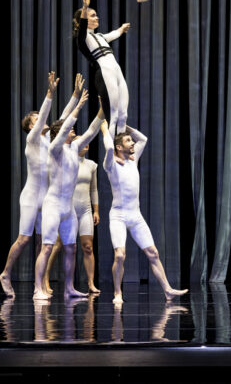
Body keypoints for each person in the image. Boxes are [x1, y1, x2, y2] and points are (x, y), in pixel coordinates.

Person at [0, 72, 80, 298]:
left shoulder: (51, 142)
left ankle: (40, 283)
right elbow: (47, 113)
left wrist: (74, 97)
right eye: (37, 119)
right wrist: (49, 95)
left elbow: (62, 119)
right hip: (31, 197)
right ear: (31, 126)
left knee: (45, 242)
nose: (42, 120)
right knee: (24, 238)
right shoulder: (32, 140)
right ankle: (6, 273)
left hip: (48, 199)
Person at [100, 120, 188, 304]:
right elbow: (108, 149)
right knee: (120, 255)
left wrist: (124, 125)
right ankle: (118, 293)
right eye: (128, 141)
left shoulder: (133, 159)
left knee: (153, 253)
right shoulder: (111, 165)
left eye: (131, 141)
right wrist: (105, 128)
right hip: (118, 216)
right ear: (118, 146)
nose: (132, 143)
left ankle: (168, 290)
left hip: (135, 215)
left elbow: (143, 139)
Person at [33, 91, 104, 301]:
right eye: (71, 129)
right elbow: (64, 127)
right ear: (60, 134)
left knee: (71, 248)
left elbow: (92, 131)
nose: (74, 131)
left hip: (68, 208)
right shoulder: (54, 149)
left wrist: (103, 109)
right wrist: (78, 105)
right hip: (53, 205)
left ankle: (69, 288)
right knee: (46, 247)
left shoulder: (74, 147)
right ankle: (38, 288)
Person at [43, 142, 101, 294]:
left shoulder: (91, 165)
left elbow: (94, 190)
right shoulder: (66, 162)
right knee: (57, 244)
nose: (87, 144)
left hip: (86, 209)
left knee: (88, 246)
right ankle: (45, 278)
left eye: (88, 141)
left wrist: (96, 211)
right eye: (82, 142)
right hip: (68, 208)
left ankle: (90, 283)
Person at [74, 0, 130, 136]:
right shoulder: (83, 38)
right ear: (83, 19)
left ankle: (122, 154)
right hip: (104, 74)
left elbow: (112, 35)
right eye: (93, 15)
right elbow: (82, 28)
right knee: (114, 116)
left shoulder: (100, 36)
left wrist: (121, 29)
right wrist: (85, 8)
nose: (97, 17)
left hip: (117, 72)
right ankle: (111, 154)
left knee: (123, 115)